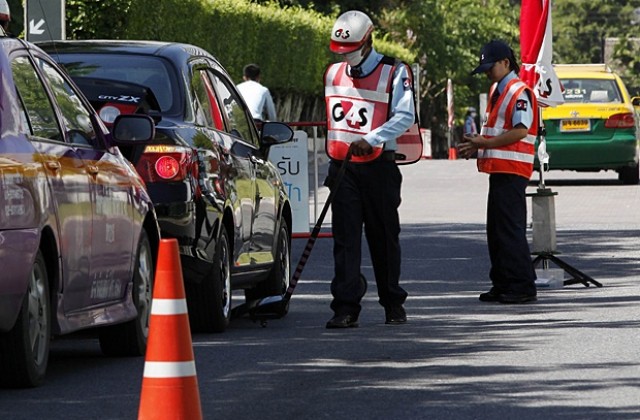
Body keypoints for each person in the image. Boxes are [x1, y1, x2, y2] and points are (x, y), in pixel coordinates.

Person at [323, 10, 417, 328]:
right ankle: (345, 308)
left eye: (351, 49)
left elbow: (405, 116)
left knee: (384, 237)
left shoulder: (394, 72)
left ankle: (393, 303)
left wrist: (372, 138)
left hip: (379, 167)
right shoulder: (333, 73)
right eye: (341, 51)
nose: (346, 56)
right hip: (343, 168)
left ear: (368, 40)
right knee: (345, 239)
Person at [457, 39, 538, 304]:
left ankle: (521, 285)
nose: (488, 73)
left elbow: (520, 130)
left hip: (513, 169)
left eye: (491, 68)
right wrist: (478, 147)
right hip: (500, 168)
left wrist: (486, 143)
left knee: (510, 229)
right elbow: (496, 129)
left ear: (506, 63)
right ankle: (503, 283)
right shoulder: (498, 89)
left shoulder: (518, 91)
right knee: (497, 230)